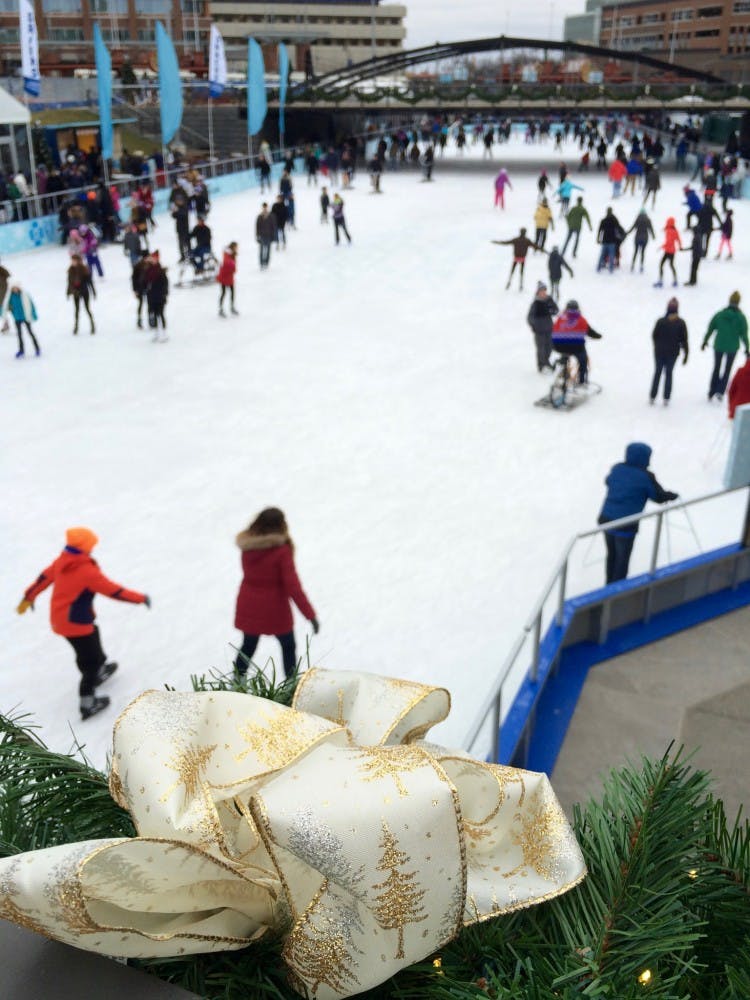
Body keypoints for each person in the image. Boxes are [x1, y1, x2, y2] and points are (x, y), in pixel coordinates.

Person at [17, 526, 150, 720]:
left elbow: (43, 579)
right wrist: (140, 598)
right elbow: (114, 591)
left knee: (92, 637)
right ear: (86, 547)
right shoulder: (86, 570)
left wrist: (28, 597)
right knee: (90, 660)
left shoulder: (64, 560)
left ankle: (100, 668)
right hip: (75, 623)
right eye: (91, 545)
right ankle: (87, 702)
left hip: (63, 620)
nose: (93, 548)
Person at [233, 507, 319, 679]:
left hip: (249, 604)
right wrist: (310, 615)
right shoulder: (281, 551)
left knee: (248, 645)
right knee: (288, 646)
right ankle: (291, 685)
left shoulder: (248, 546)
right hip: (274, 609)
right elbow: (293, 587)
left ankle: (237, 683)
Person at [598, 445, 678, 584]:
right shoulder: (645, 476)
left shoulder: (617, 468)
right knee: (621, 562)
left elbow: (608, 481)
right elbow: (658, 496)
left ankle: (607, 588)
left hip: (606, 521)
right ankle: (615, 593)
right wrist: (672, 496)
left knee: (611, 555)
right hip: (626, 526)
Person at [702, 291, 749, 401]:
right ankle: (720, 391)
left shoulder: (720, 314)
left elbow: (711, 328)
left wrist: (705, 341)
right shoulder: (741, 318)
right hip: (732, 348)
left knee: (716, 368)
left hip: (719, 345)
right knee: (727, 369)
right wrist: (747, 348)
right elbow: (744, 334)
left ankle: (712, 390)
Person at [551, 299, 603, 384]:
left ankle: (563, 366)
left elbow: (553, 330)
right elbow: (590, 332)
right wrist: (598, 336)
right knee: (583, 361)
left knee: (565, 353)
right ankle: (581, 381)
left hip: (558, 346)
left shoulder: (561, 318)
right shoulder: (581, 319)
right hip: (576, 348)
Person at [649, 298, 688, 405]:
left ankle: (653, 396)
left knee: (658, 373)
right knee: (667, 374)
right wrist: (686, 354)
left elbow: (654, 336)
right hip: (671, 353)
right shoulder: (680, 323)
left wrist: (657, 346)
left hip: (660, 352)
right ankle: (665, 397)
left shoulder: (661, 321)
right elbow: (684, 340)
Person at [492, 227, 537, 292]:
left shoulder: (516, 240)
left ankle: (509, 283)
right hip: (522, 258)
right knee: (521, 272)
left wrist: (497, 242)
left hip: (516, 257)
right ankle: (520, 285)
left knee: (512, 271)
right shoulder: (527, 240)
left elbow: (506, 242)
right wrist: (544, 251)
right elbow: (536, 246)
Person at [527, 282, 559, 372]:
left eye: (544, 290)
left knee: (549, 346)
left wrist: (551, 309)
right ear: (538, 292)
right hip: (539, 330)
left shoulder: (549, 300)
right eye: (541, 291)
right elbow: (530, 317)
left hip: (549, 328)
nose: (543, 293)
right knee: (541, 348)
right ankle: (541, 365)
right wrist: (534, 325)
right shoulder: (536, 303)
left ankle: (546, 361)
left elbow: (556, 310)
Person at [2, 283, 39, 358]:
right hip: (17, 318)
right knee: (19, 335)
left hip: (26, 317)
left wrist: (34, 314)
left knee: (30, 333)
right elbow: (5, 306)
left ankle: (37, 348)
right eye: (13, 288)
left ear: (19, 288)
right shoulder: (10, 297)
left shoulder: (25, 295)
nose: (15, 289)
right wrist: (3, 312)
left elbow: (31, 305)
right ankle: (21, 350)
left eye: (16, 288)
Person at [67, 253, 96, 335]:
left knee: (87, 309)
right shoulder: (70, 270)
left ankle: (92, 325)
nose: (72, 262)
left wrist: (93, 291)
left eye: (74, 260)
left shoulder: (84, 270)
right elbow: (69, 282)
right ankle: (76, 327)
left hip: (84, 292)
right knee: (76, 310)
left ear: (78, 261)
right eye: (72, 260)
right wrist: (68, 292)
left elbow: (90, 282)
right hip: (75, 293)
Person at [144, 250, 169, 342]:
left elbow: (165, 284)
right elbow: (144, 281)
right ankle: (156, 332)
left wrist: (164, 294)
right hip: (151, 297)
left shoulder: (160, 271)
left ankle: (164, 333)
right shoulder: (148, 269)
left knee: (161, 314)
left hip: (159, 296)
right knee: (154, 315)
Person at [654, 217, 681, 288]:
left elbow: (668, 242)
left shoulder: (669, 231)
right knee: (671, 265)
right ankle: (675, 280)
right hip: (672, 251)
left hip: (668, 251)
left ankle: (660, 281)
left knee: (662, 265)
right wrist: (680, 246)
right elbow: (679, 239)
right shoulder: (675, 230)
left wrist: (662, 246)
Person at [596, 207, 623, 273]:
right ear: (611, 211)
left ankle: (598, 268)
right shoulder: (614, 220)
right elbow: (618, 229)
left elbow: (600, 231)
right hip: (612, 241)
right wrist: (620, 237)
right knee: (611, 255)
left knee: (602, 255)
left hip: (605, 240)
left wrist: (598, 239)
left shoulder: (603, 220)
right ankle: (611, 269)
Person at [217, 242, 238, 317]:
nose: (237, 248)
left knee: (232, 293)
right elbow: (228, 266)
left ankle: (232, 307)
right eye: (236, 247)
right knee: (224, 293)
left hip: (229, 277)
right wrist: (233, 269)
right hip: (224, 278)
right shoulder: (228, 256)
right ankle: (221, 309)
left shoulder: (231, 255)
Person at [255, 202, 276, 269]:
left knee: (268, 251)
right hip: (262, 236)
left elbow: (273, 226)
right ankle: (261, 263)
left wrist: (274, 236)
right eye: (263, 207)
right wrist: (257, 236)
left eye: (266, 207)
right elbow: (257, 227)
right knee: (261, 251)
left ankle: (266, 263)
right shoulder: (259, 216)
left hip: (269, 235)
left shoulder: (271, 216)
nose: (265, 208)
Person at [132, 249, 149, 329]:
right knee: (141, 304)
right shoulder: (138, 266)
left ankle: (151, 319)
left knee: (150, 304)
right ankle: (139, 319)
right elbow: (134, 279)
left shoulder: (150, 265)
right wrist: (135, 290)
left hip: (149, 288)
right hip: (140, 288)